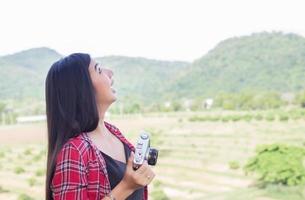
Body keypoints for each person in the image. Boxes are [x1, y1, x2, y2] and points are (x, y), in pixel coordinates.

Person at [45, 53, 155, 200]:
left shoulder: (114, 132)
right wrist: (126, 187)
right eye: (98, 69)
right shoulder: (74, 151)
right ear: (81, 87)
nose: (110, 73)